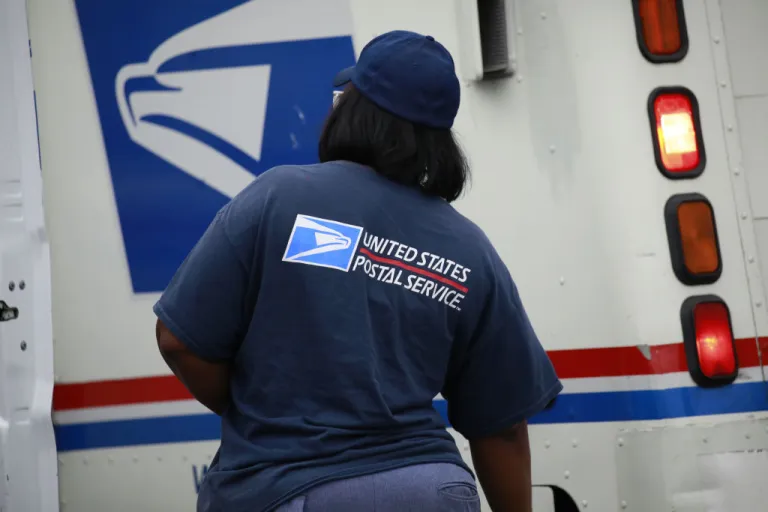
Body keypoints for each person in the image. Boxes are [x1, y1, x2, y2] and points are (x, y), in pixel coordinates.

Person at [154, 30, 562, 512]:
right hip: (432, 487)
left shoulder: (280, 197)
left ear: (351, 111)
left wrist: (263, 416)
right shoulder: (469, 248)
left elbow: (178, 339)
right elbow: (503, 424)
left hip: (293, 485)